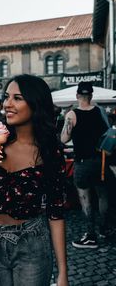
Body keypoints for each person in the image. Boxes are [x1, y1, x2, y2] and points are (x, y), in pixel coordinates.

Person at [0, 74, 69, 286]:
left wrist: (63, 273)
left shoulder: (50, 153)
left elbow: (56, 213)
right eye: (6, 97)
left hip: (31, 244)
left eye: (17, 98)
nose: (7, 104)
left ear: (36, 104)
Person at [61, 81, 109, 249]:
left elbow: (63, 139)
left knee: (85, 199)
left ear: (77, 96)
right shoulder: (100, 111)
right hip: (101, 162)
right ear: (91, 96)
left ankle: (90, 236)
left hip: (82, 163)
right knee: (103, 196)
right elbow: (108, 133)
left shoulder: (72, 115)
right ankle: (104, 229)